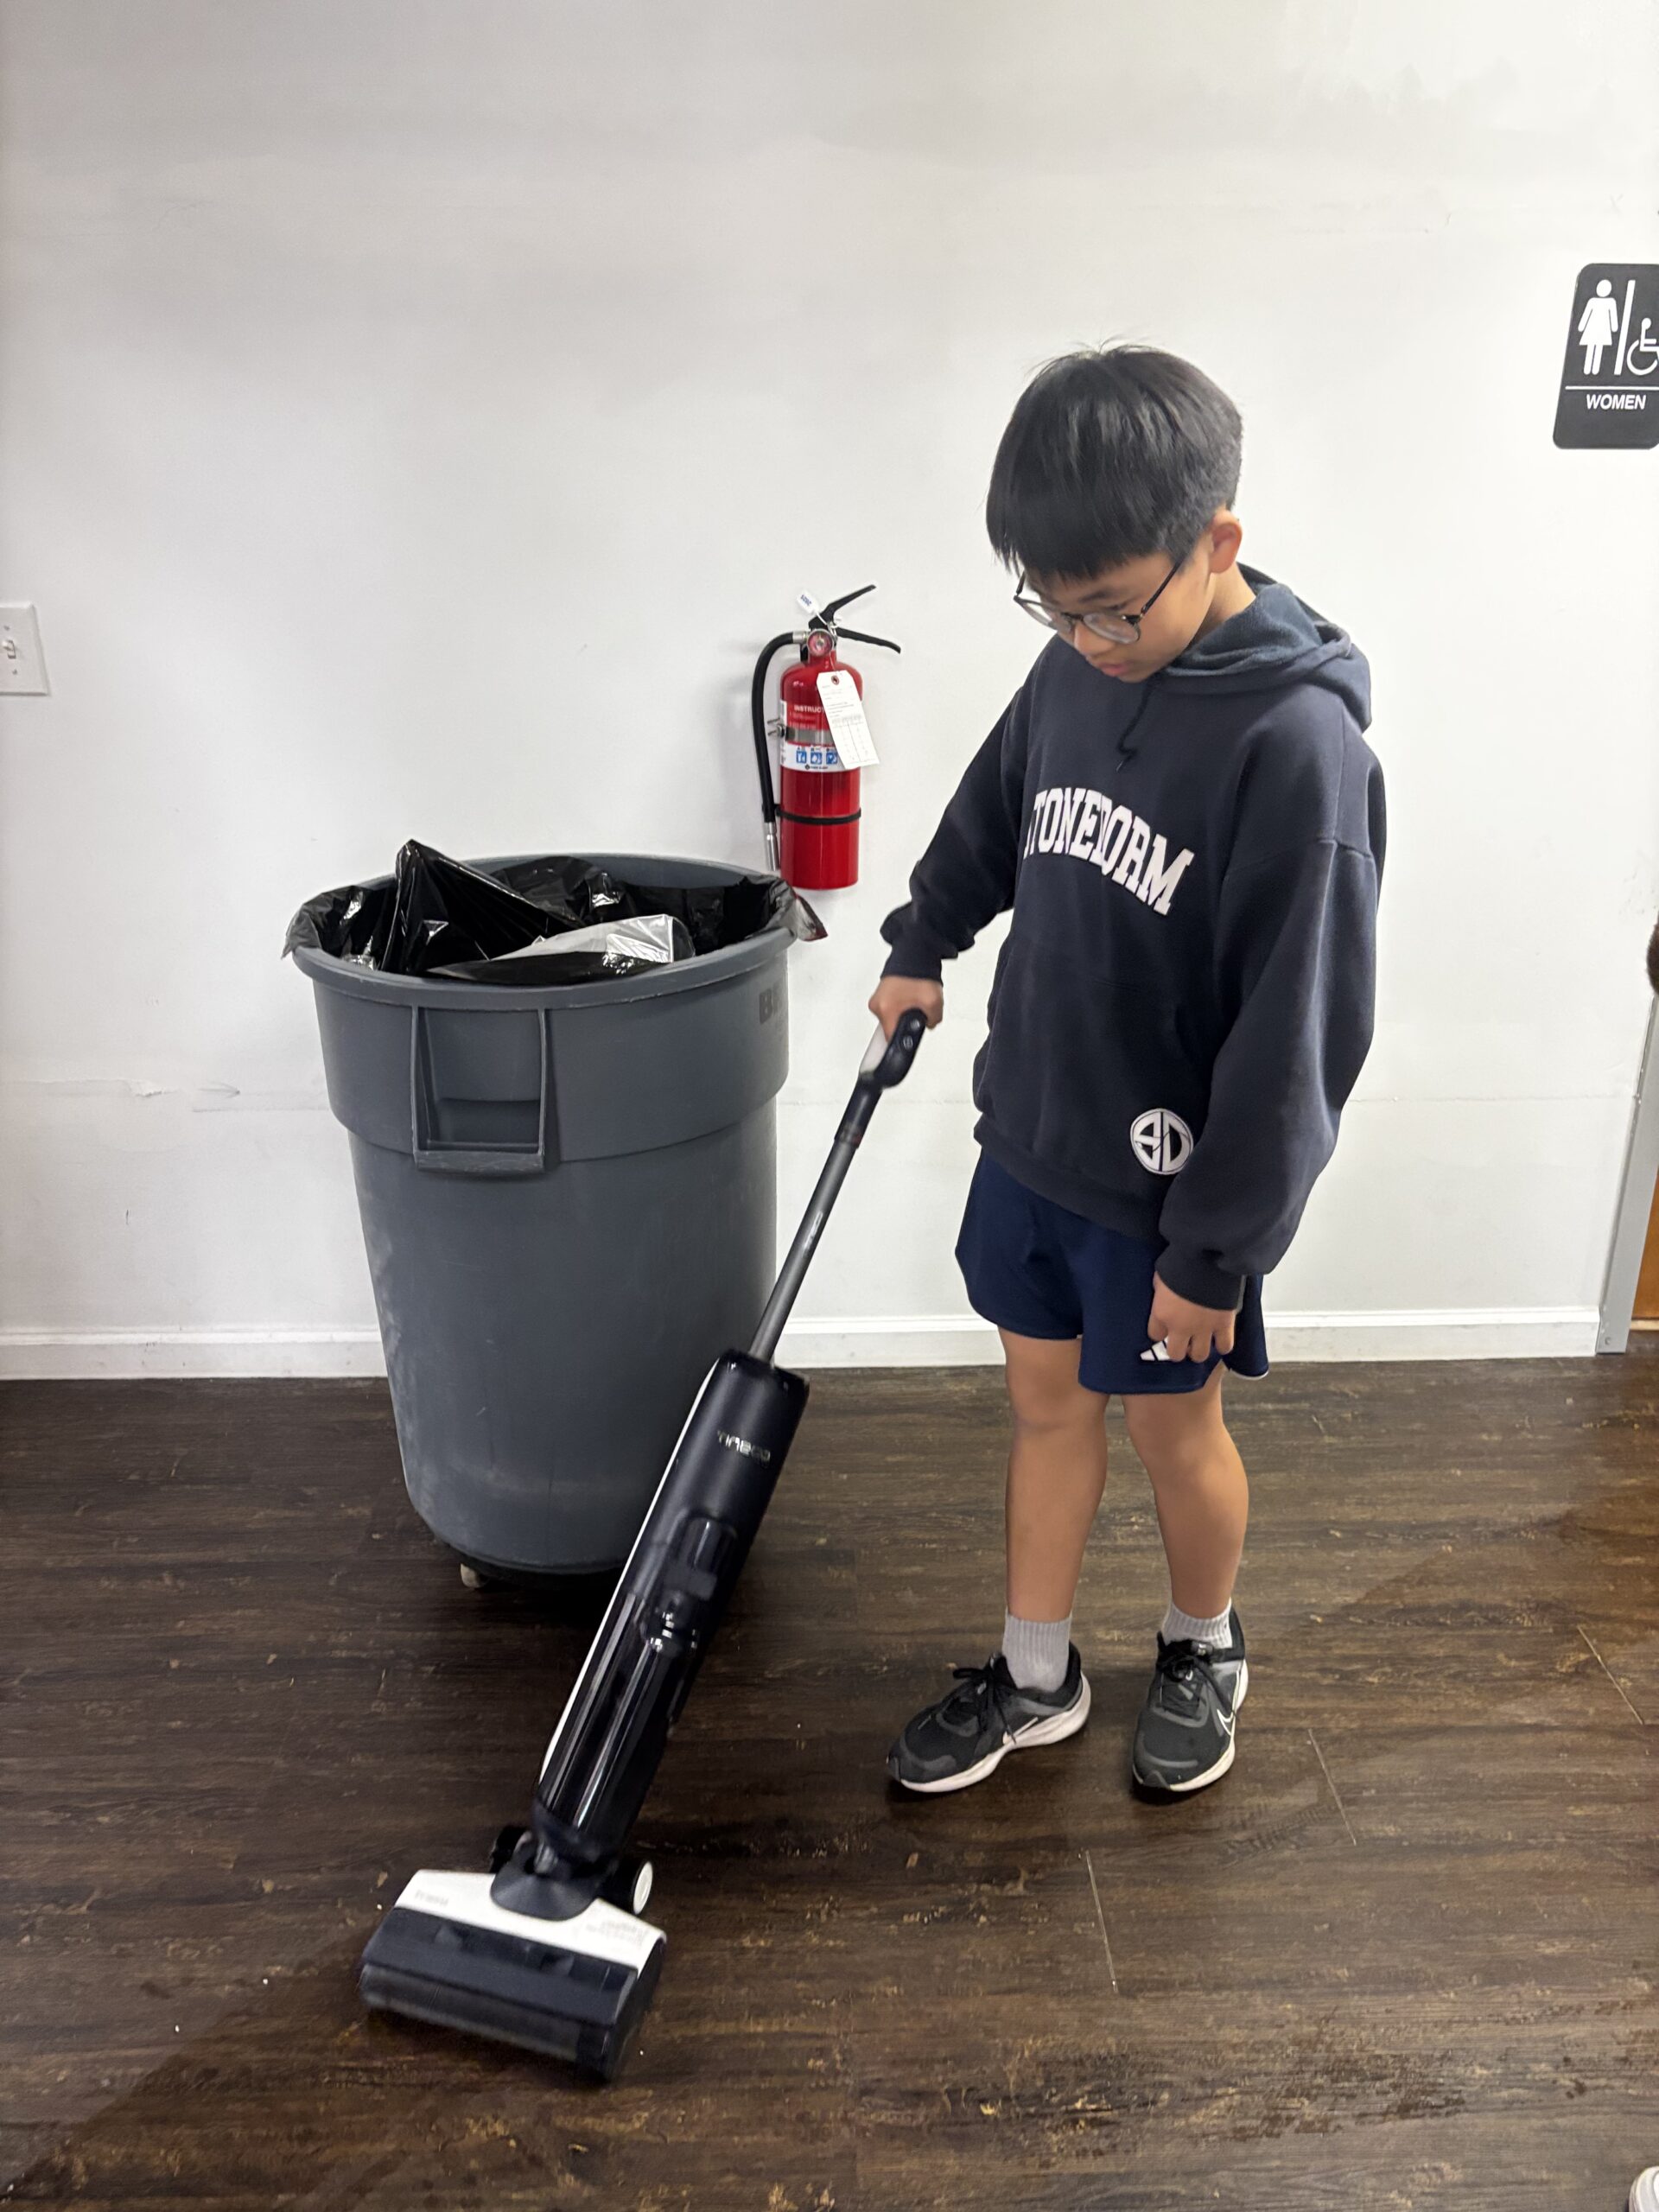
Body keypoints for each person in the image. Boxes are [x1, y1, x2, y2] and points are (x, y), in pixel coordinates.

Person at [871, 344, 1384, 1800]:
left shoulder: (1300, 750)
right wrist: (924, 939)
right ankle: (1036, 1674)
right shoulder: (1073, 669)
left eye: (1109, 605)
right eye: (1053, 604)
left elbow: (1299, 1038)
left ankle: (1202, 1641)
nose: (1084, 636)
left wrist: (1217, 1254)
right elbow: (992, 810)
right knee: (1044, 1410)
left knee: (1173, 1428)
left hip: (1168, 1202)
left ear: (1216, 542)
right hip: (1036, 1136)